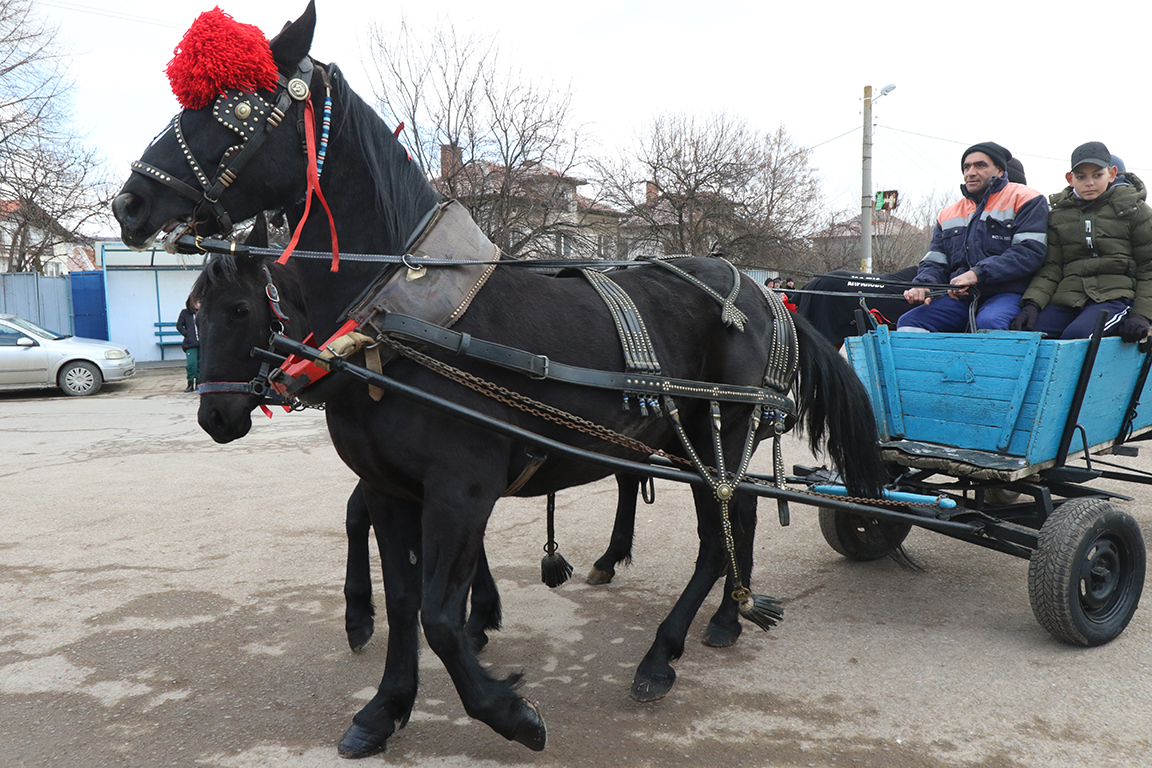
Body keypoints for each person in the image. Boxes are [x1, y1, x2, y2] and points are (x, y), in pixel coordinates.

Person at [897, 142, 1049, 332]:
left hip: (1008, 293)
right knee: (910, 323)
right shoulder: (948, 213)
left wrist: (977, 273)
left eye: (980, 165)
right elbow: (936, 260)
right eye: (966, 167)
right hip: (960, 297)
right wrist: (923, 284)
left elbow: (1028, 252)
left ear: (1000, 171)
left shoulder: (1027, 199)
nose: (971, 172)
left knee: (988, 323)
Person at [1009, 141, 1152, 342]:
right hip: (1068, 297)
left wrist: (1143, 315)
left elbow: (1148, 267)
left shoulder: (1135, 211)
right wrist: (1032, 304)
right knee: (1029, 336)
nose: (1089, 182)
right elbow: (1052, 267)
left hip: (1116, 297)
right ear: (1070, 179)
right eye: (1081, 176)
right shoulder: (1058, 216)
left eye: (1097, 175)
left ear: (1112, 174)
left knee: (1076, 338)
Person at [176, 297, 200, 392]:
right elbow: (179, 326)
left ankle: (199, 383)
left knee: (200, 364)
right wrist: (187, 334)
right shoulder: (185, 313)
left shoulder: (203, 312)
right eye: (196, 302)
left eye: (200, 302)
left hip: (202, 343)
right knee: (191, 364)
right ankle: (190, 383)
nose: (198, 305)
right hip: (190, 344)